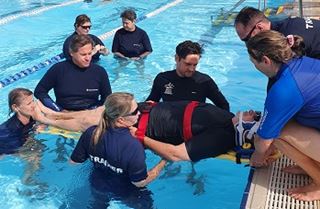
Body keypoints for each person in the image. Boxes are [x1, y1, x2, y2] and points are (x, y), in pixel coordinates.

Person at [35, 93, 266, 162]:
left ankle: (46, 119)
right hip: (144, 110)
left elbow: (176, 155)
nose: (252, 111)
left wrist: (141, 137)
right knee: (94, 113)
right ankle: (54, 114)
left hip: (139, 123)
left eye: (254, 116)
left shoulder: (221, 137)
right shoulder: (227, 117)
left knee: (90, 121)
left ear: (246, 128)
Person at [246, 30, 320, 201]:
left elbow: (264, 142)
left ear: (265, 60)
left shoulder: (284, 90)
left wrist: (257, 158)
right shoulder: (305, 63)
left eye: (253, 62)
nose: (254, 66)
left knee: (277, 135)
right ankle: (313, 164)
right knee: (284, 123)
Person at [70, 93, 166, 188]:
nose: (139, 113)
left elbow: (74, 162)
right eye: (135, 111)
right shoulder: (133, 146)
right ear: (121, 120)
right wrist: (163, 162)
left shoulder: (91, 133)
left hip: (96, 183)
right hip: (126, 191)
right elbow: (140, 183)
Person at [234, 6, 320, 91]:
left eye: (247, 39)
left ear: (260, 27)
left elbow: (279, 81)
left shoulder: (284, 42)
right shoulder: (287, 24)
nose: (247, 45)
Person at [35, 34, 112, 111]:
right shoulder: (58, 69)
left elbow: (108, 98)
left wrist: (93, 110)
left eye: (89, 54)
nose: (88, 58)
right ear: (71, 53)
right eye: (83, 54)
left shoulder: (99, 72)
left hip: (90, 113)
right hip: (64, 114)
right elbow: (40, 91)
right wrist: (58, 110)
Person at [146, 40, 230, 111]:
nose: (191, 69)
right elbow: (150, 104)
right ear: (177, 58)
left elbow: (223, 105)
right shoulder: (163, 79)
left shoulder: (204, 81)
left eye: (195, 65)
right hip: (169, 125)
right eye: (188, 64)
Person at [0, 88, 37, 155]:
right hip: (4, 139)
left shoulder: (32, 116)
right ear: (16, 107)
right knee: (34, 152)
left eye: (33, 101)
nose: (34, 105)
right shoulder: (12, 131)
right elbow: (18, 150)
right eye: (29, 104)